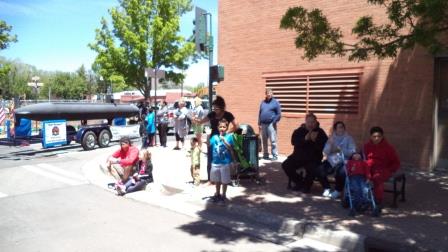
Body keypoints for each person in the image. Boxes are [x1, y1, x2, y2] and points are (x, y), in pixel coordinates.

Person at [193, 96, 238, 181]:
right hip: (213, 139)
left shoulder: (228, 115)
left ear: (221, 107)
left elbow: (236, 125)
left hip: (223, 140)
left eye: (216, 108)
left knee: (223, 160)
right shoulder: (212, 114)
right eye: (213, 108)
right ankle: (211, 180)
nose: (214, 110)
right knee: (210, 159)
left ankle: (223, 179)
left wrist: (227, 133)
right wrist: (196, 120)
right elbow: (201, 121)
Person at [281, 113, 328, 193]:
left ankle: (306, 186)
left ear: (316, 122)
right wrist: (305, 139)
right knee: (286, 165)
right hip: (298, 157)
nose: (311, 124)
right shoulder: (299, 131)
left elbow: (325, 146)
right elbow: (294, 142)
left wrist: (315, 141)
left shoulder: (320, 132)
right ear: (306, 122)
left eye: (313, 122)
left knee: (312, 168)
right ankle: (300, 182)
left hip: (313, 157)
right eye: (309, 122)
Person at [364, 126, 400, 207]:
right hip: (369, 168)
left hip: (383, 170)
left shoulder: (388, 148)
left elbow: (396, 162)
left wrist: (389, 170)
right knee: (358, 174)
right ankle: (359, 198)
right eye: (374, 136)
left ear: (382, 136)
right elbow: (363, 158)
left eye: (379, 136)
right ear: (370, 137)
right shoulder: (366, 146)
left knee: (377, 178)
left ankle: (377, 200)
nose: (376, 138)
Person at [319, 121, 357, 199]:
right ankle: (327, 188)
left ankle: (338, 191)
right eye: (339, 127)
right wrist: (330, 146)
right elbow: (325, 151)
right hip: (331, 161)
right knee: (319, 169)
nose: (341, 129)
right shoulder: (331, 138)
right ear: (335, 129)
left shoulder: (349, 138)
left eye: (342, 127)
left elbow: (353, 151)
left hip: (343, 161)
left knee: (342, 172)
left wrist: (341, 150)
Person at [209, 119, 235, 203]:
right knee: (217, 180)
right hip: (215, 162)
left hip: (225, 163)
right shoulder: (214, 137)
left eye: (224, 127)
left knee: (225, 180)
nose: (222, 128)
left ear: (227, 128)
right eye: (220, 127)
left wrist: (224, 140)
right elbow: (209, 145)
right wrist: (207, 135)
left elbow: (230, 148)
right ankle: (217, 193)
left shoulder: (229, 137)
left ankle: (224, 195)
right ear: (218, 127)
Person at [258, 88, 281, 161]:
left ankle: (274, 155)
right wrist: (259, 123)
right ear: (266, 94)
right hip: (263, 124)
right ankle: (265, 155)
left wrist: (274, 121)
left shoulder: (275, 102)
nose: (268, 94)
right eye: (267, 93)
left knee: (273, 140)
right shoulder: (263, 102)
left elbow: (279, 114)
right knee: (264, 140)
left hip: (271, 124)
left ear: (272, 94)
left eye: (270, 93)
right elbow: (260, 113)